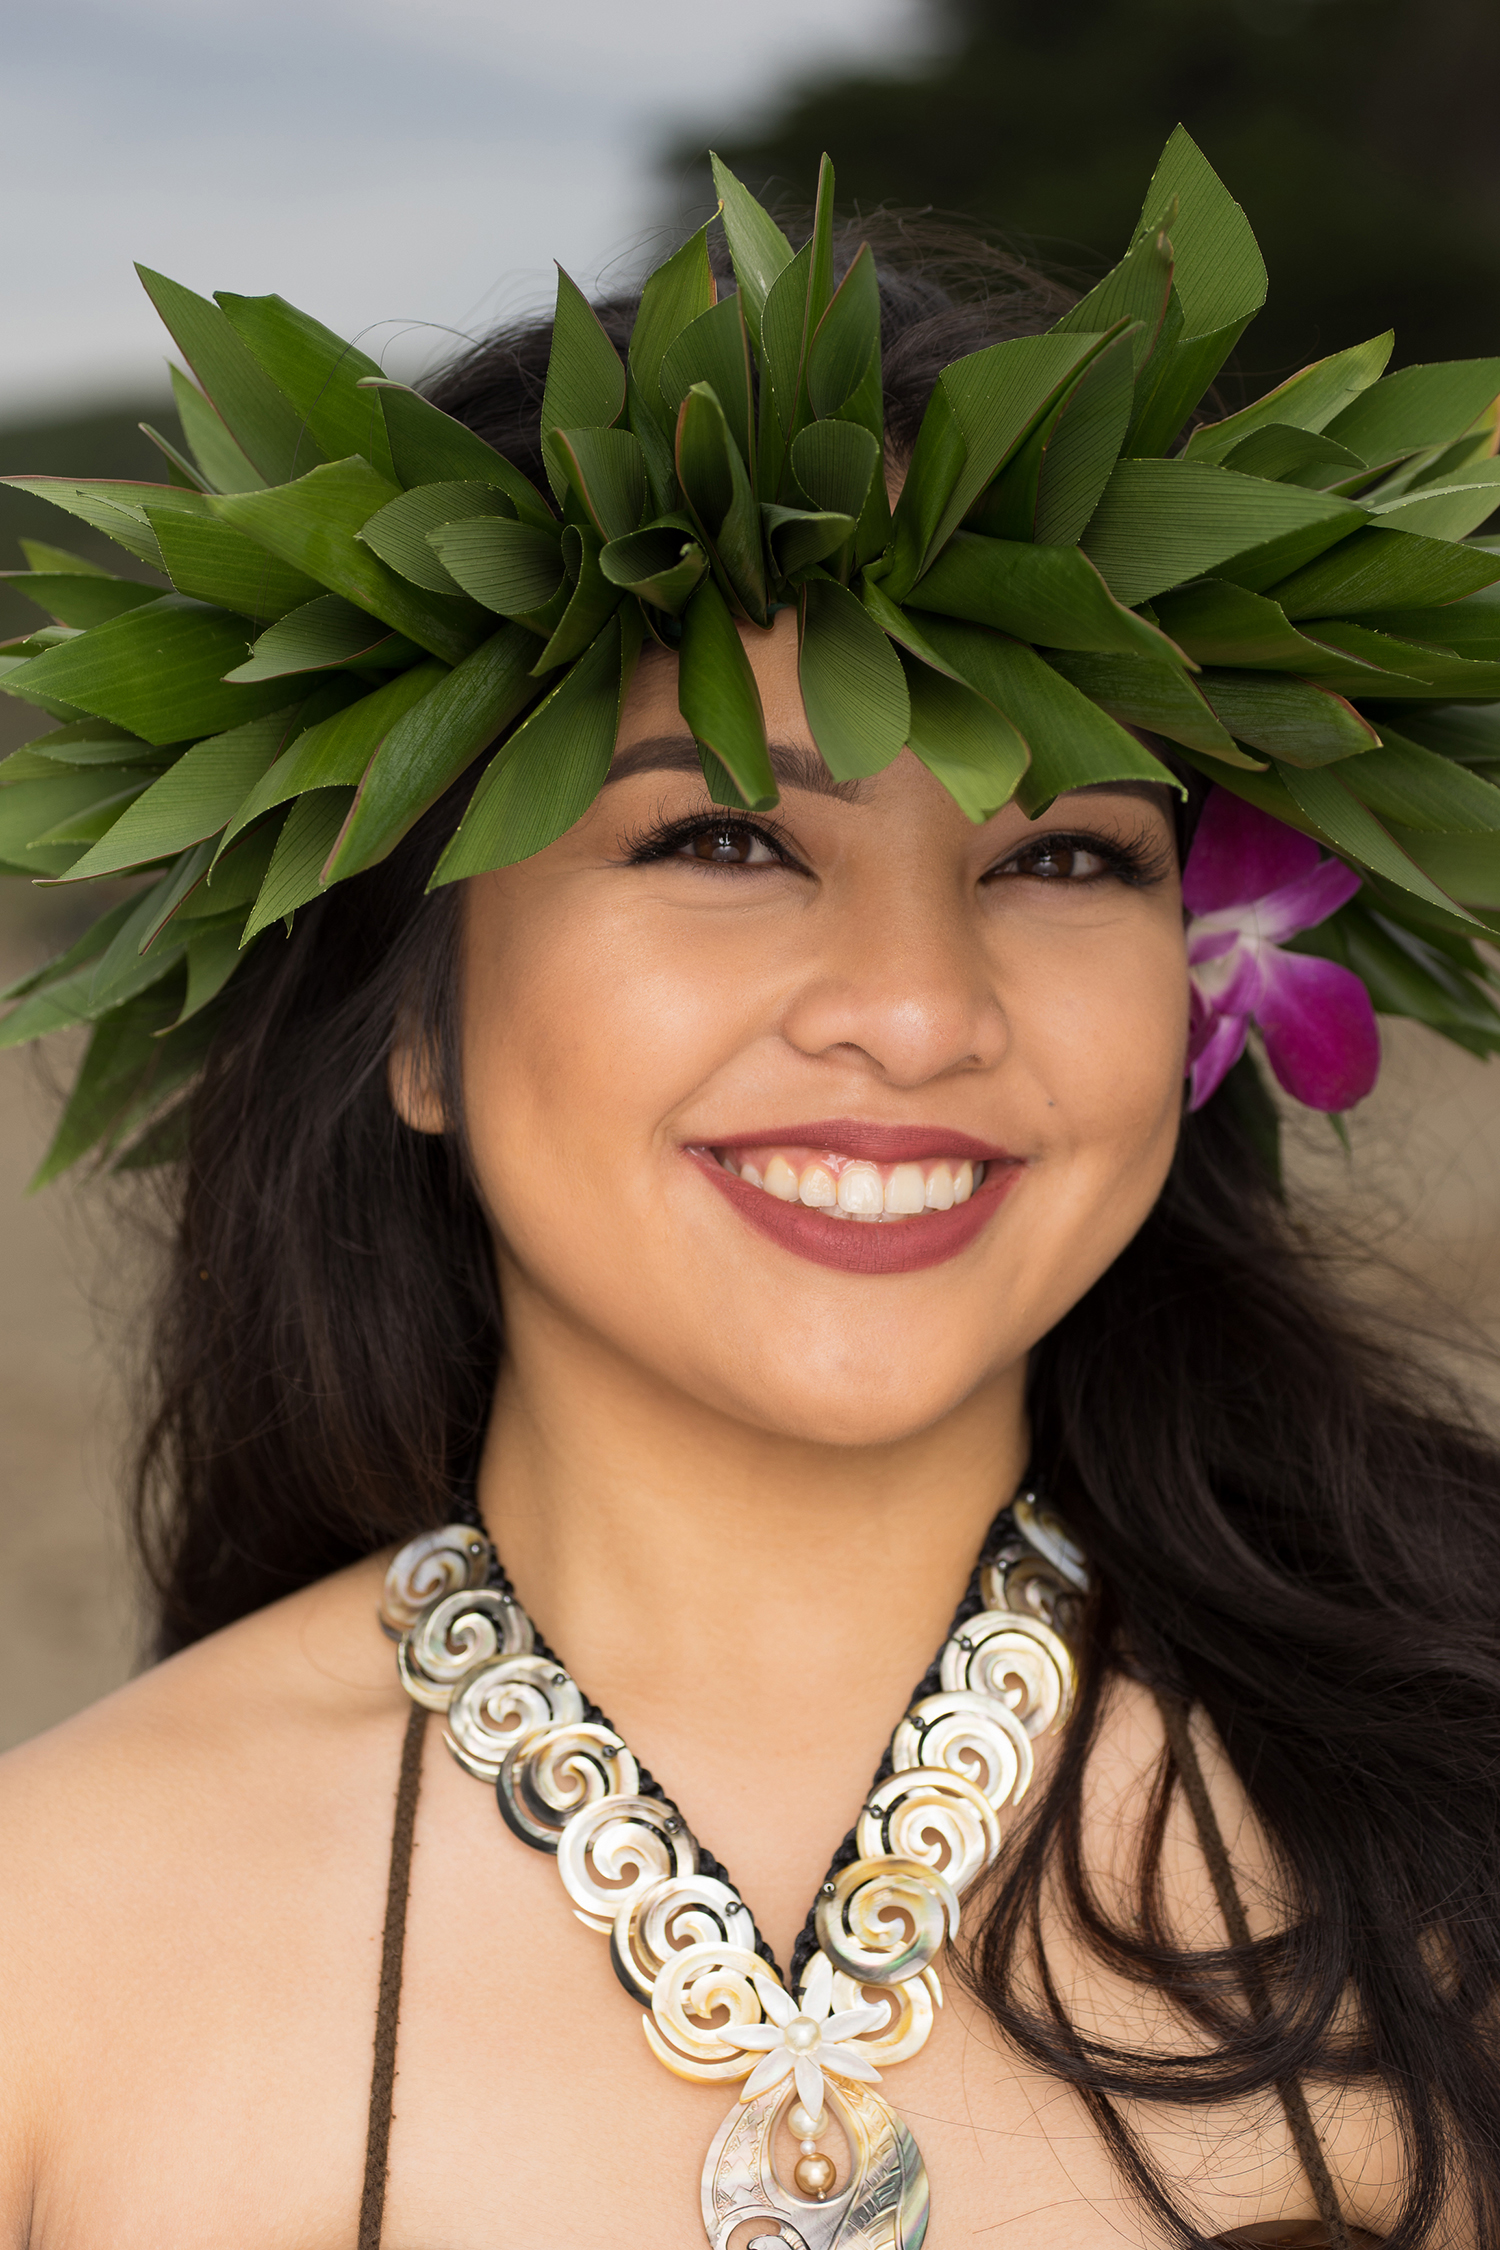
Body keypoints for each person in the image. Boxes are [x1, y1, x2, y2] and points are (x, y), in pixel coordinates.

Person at [1, 134, 1498, 2250]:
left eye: (1063, 859)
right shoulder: (41, 1970)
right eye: (720, 843)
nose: (909, 1009)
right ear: (409, 1018)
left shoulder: (1459, 1857)